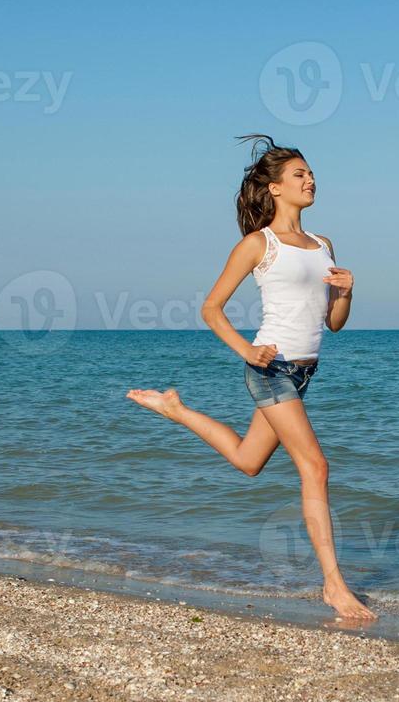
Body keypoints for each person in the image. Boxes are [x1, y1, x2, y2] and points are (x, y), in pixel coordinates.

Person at [127, 135, 376, 622]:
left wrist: (347, 292)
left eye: (311, 173)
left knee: (248, 460)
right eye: (300, 175)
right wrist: (247, 349)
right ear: (276, 188)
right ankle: (334, 585)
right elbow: (211, 308)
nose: (311, 180)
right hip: (271, 370)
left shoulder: (324, 245)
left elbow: (334, 323)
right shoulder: (258, 244)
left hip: (305, 372)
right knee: (316, 467)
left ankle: (176, 409)